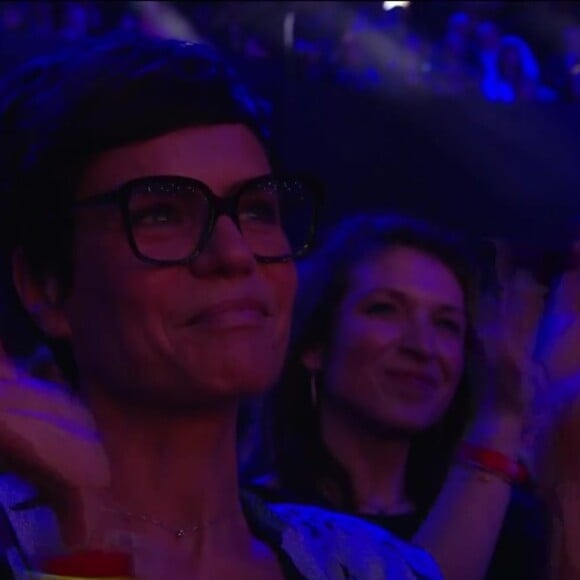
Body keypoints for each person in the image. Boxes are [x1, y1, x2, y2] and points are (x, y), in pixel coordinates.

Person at [0, 33, 443, 578]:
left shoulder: (373, 566)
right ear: (45, 285)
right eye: (161, 214)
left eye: (257, 210)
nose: (234, 254)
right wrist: (85, 528)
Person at [250, 214, 550, 579]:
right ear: (316, 345)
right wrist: (500, 423)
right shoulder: (247, 524)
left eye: (446, 324)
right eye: (385, 309)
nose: (423, 347)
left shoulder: (515, 525)